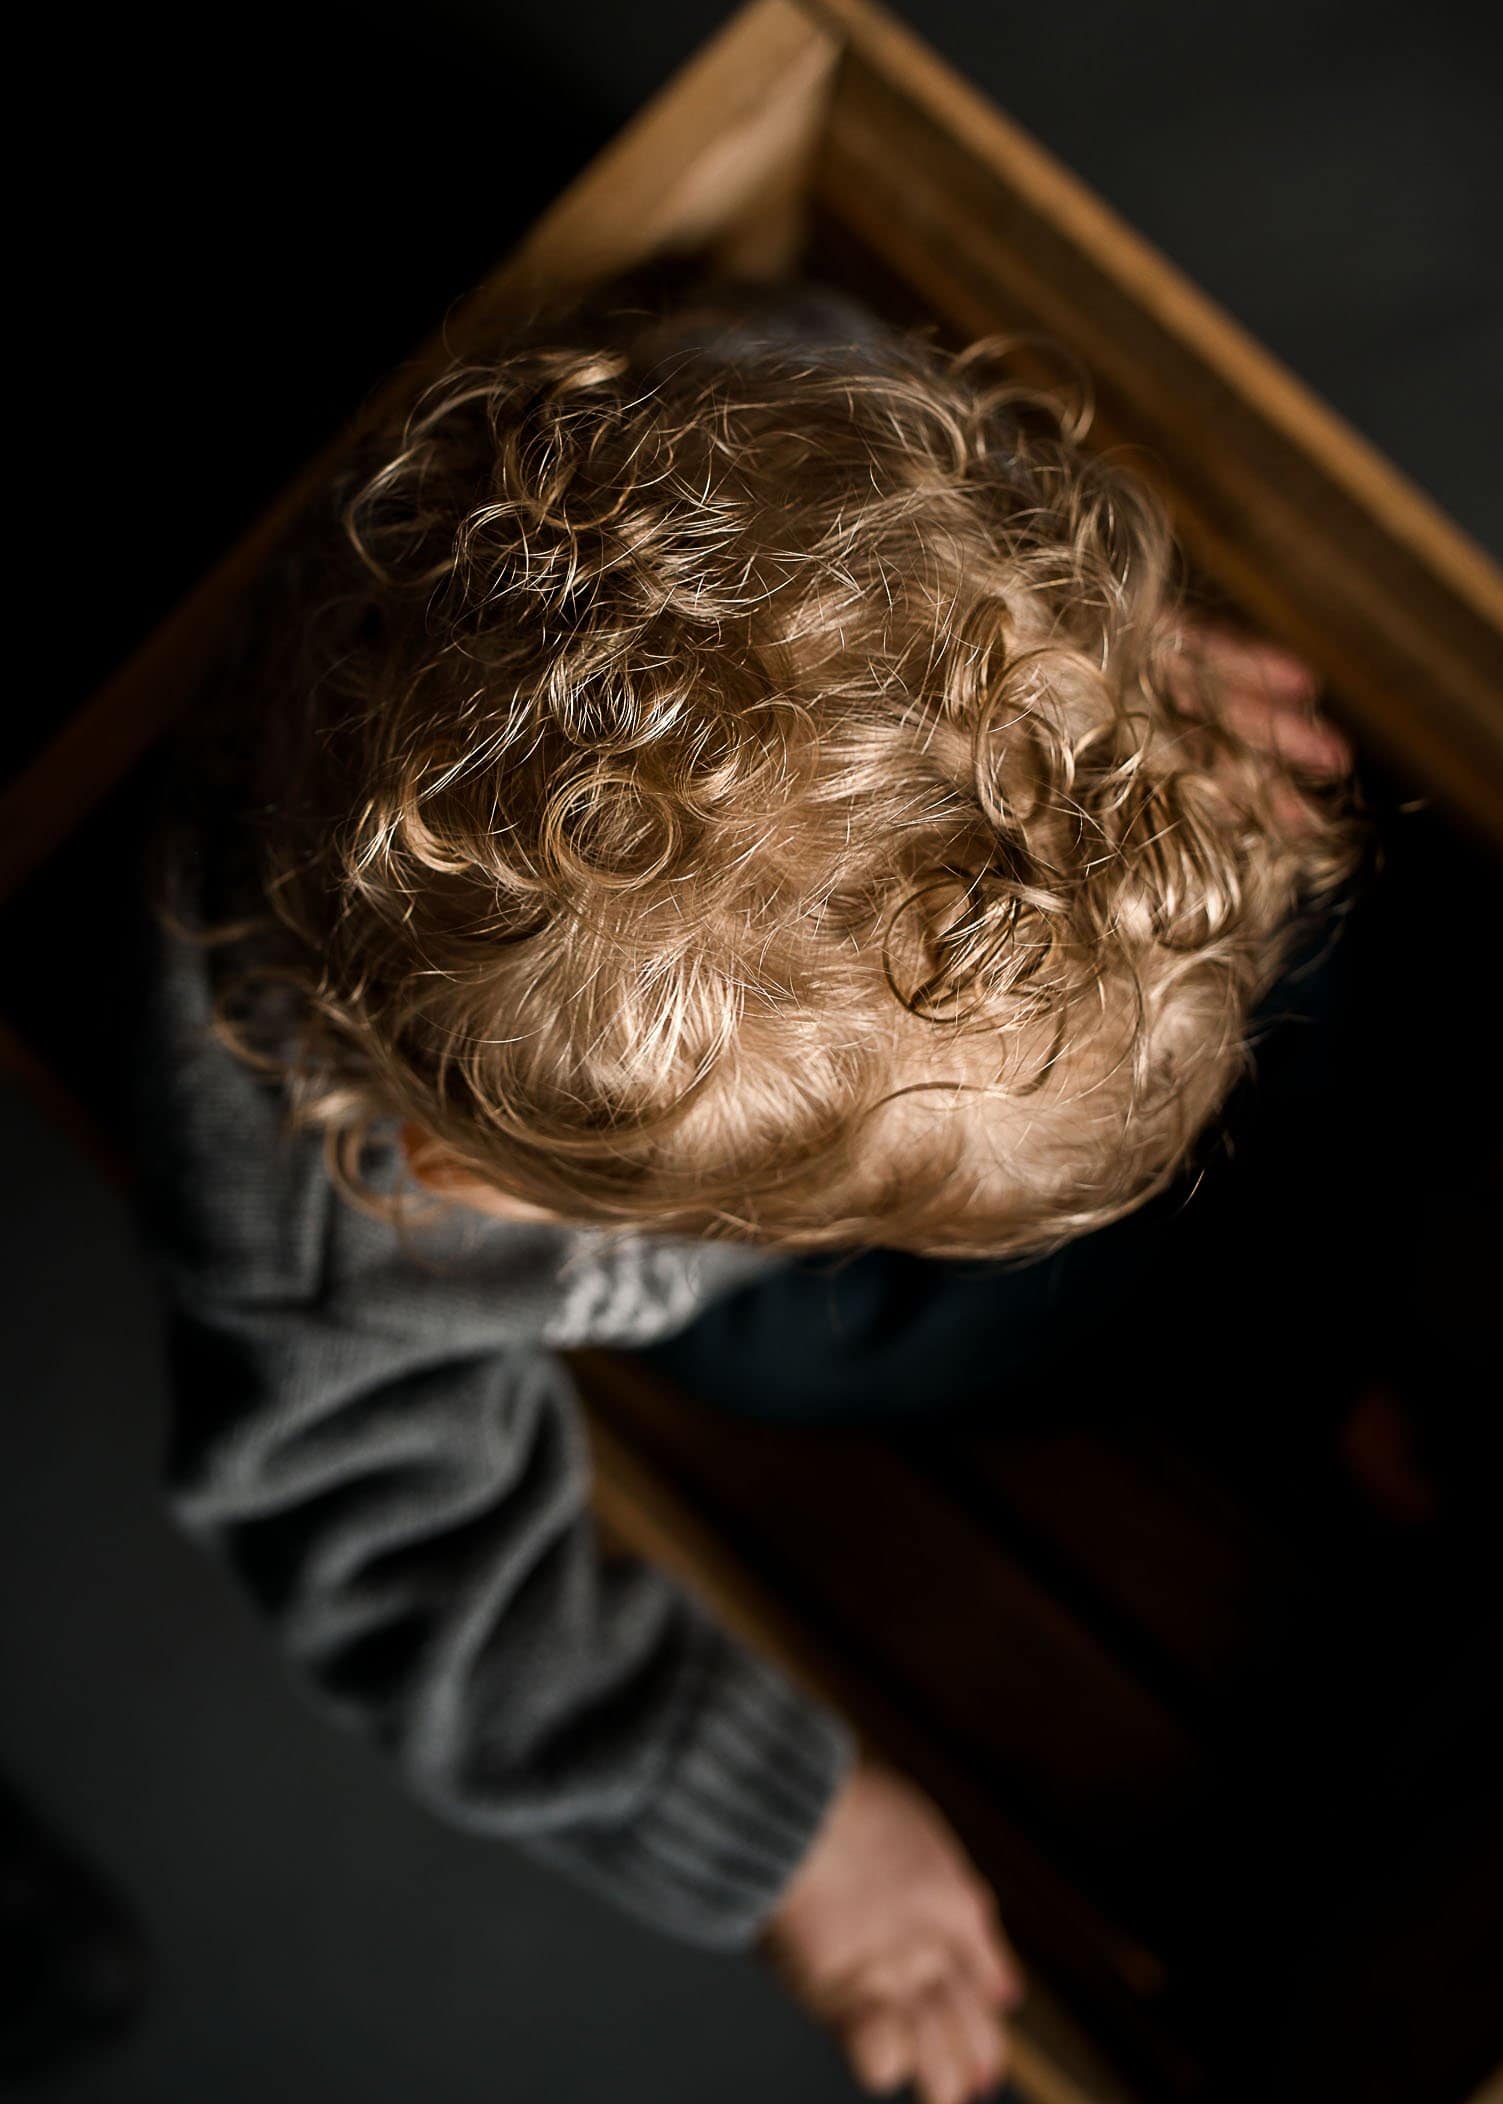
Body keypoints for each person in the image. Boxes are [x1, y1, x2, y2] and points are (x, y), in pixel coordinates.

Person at [128, 270, 1361, 2104]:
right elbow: (401, 1558)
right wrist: (792, 1829)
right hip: (724, 1309)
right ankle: (1276, 1317)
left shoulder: (754, 436)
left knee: (1291, 915)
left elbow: (918, 520)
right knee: (825, 1361)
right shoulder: (354, 1230)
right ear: (491, 1188)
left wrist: (1115, 696)